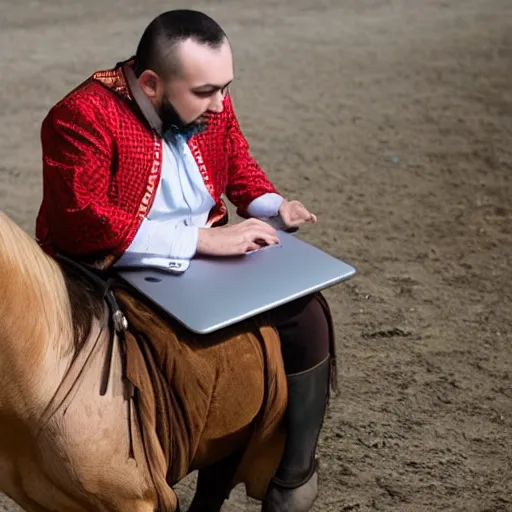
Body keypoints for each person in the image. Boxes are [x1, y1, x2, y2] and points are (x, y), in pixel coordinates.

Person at [35, 9, 335, 511]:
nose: (220, 105)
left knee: (309, 316)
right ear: (151, 83)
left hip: (211, 252)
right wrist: (199, 240)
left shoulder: (208, 99)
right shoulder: (81, 115)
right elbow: (80, 219)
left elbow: (236, 159)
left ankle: (294, 472)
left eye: (225, 87)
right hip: (113, 266)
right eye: (206, 93)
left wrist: (271, 204)